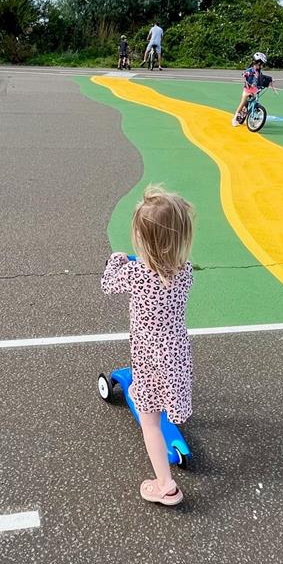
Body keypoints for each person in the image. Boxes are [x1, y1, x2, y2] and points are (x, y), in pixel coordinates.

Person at [101, 185, 195, 507]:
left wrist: (116, 260)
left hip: (150, 358)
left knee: (150, 421)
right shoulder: (185, 271)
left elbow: (108, 285)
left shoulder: (137, 272)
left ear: (143, 242)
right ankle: (175, 410)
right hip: (177, 353)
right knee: (172, 393)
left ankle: (165, 485)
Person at [232, 52, 268, 126]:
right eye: (261, 64)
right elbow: (244, 74)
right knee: (242, 103)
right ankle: (235, 118)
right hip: (247, 90)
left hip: (254, 90)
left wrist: (269, 80)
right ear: (257, 63)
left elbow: (262, 79)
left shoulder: (259, 72)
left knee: (255, 101)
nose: (262, 66)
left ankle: (251, 113)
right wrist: (246, 77)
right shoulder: (250, 70)